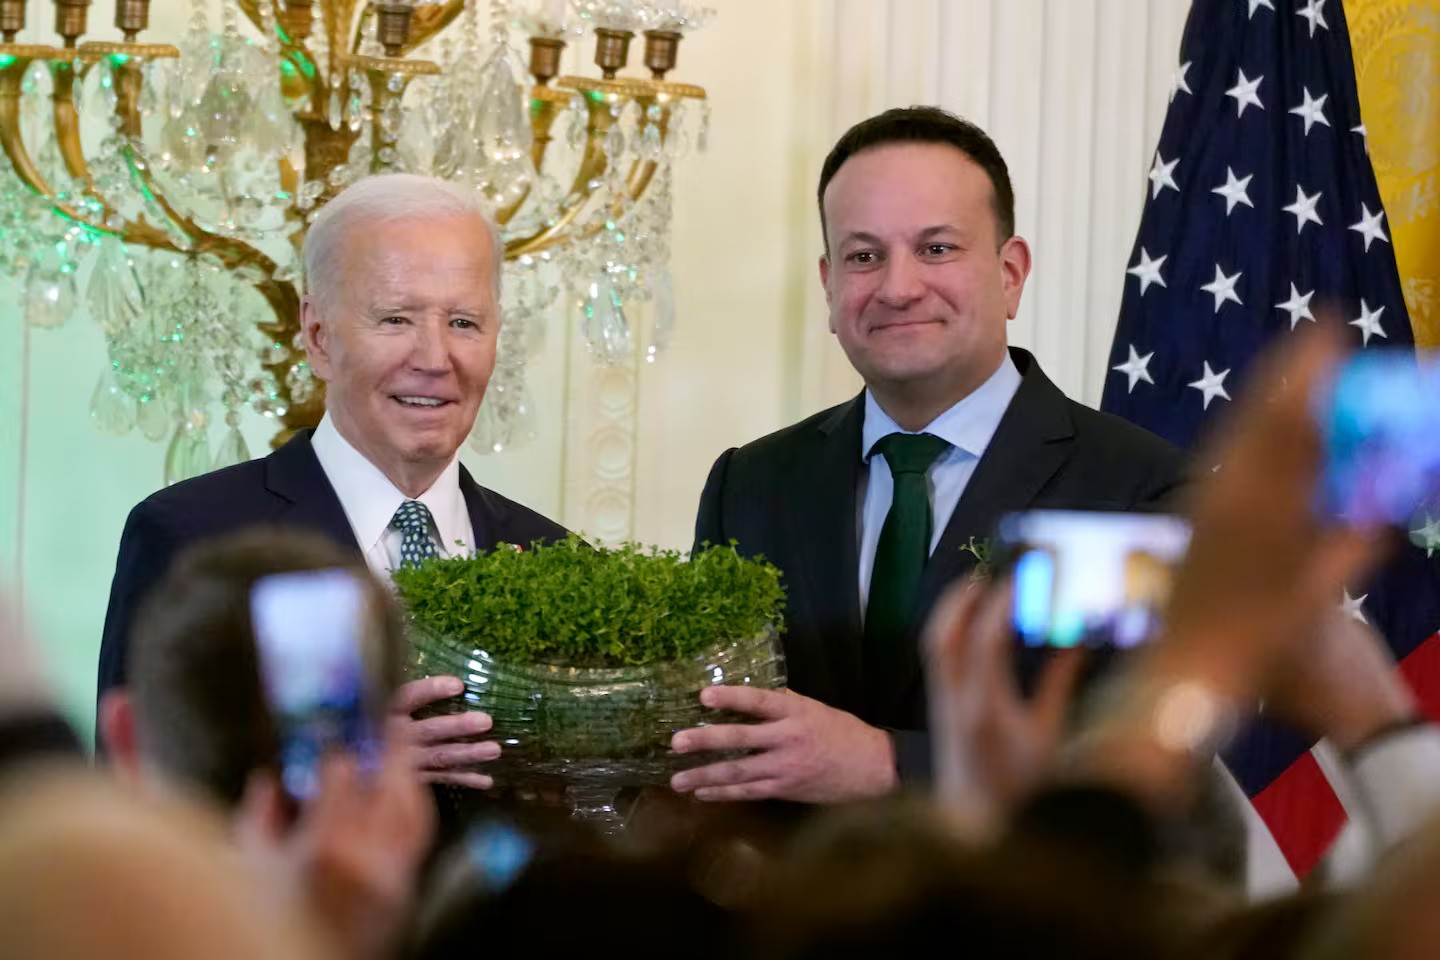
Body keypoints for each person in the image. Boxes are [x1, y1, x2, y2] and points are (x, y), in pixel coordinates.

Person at [672, 106, 1185, 804]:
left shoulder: (1134, 489)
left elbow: (1135, 759)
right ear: (829, 285)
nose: (898, 286)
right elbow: (705, 724)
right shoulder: (751, 485)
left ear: (1010, 273)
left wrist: (888, 763)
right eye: (864, 255)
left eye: (937, 248)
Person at [96, 173, 568, 789]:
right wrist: (342, 762)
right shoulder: (192, 538)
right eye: (396, 319)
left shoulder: (555, 559)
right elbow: (132, 808)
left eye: (464, 323)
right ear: (318, 337)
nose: (434, 359)